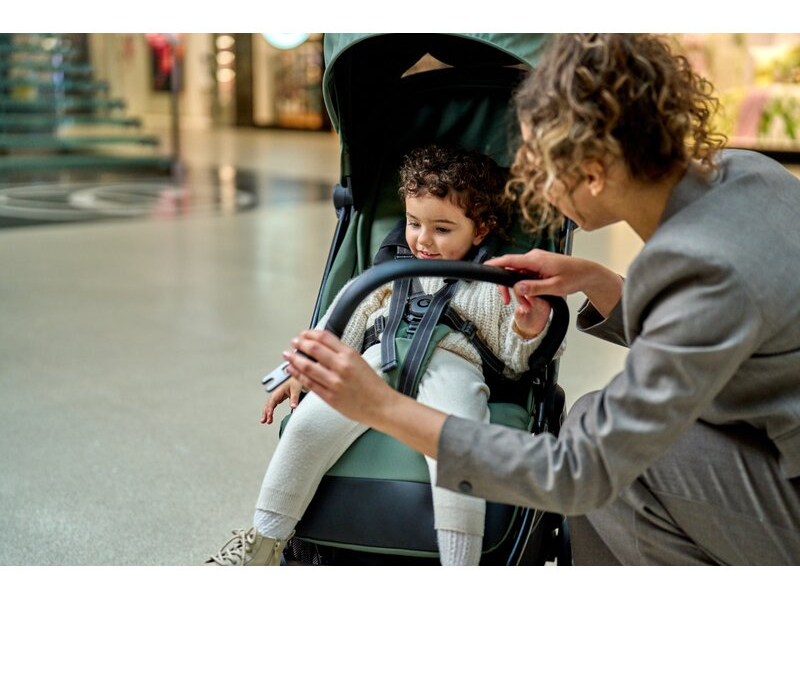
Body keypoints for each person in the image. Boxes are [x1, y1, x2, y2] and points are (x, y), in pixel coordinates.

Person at [283, 33, 800, 565]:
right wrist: (595, 279)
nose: (531, 182)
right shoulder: (747, 171)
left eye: (539, 164)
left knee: (609, 462)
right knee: (597, 419)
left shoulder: (694, 267)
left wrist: (382, 406)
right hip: (773, 431)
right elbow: (715, 325)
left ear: (593, 172)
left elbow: (578, 473)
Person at [207, 143, 554, 566]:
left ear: (480, 231)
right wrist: (301, 368)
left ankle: (460, 564)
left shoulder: (493, 285)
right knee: (306, 427)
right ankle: (263, 542)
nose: (423, 240)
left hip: (453, 368)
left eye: (442, 229)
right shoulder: (387, 273)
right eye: (413, 223)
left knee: (457, 453)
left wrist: (527, 328)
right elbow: (338, 325)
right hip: (373, 365)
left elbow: (514, 362)